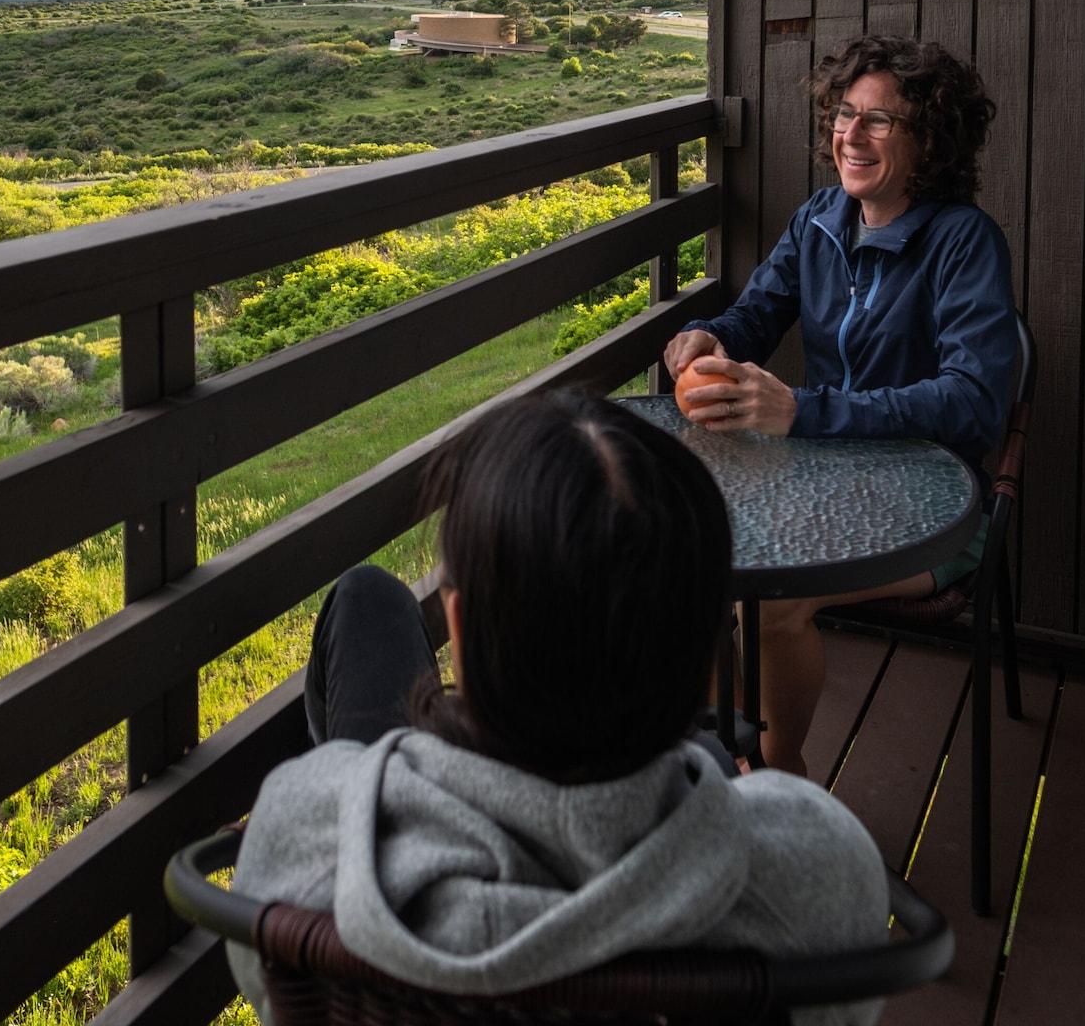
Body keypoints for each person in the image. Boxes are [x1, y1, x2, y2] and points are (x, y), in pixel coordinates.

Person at [229, 393, 889, 1026]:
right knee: (712, 757)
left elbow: (265, 989)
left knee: (364, 597)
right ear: (698, 647)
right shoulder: (818, 873)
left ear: (459, 626)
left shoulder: (309, 836)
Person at [664, 35, 1018, 775]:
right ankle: (708, 764)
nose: (849, 137)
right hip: (817, 479)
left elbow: (973, 402)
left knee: (770, 602)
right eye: (843, 115)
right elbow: (754, 316)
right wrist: (704, 336)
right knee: (688, 572)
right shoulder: (819, 219)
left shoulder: (963, 244)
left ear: (930, 138)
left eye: (879, 121)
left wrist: (803, 413)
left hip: (937, 505)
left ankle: (777, 772)